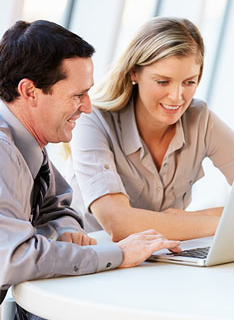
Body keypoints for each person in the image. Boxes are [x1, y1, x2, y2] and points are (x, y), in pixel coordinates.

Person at [0, 20, 180, 319]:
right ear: (30, 91)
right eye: (76, 95)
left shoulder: (29, 146)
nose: (86, 107)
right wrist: (117, 255)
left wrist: (65, 231)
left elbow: (59, 207)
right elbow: (13, 256)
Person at [69, 16, 234, 241]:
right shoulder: (93, 120)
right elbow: (118, 223)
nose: (177, 97)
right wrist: (217, 223)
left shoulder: (200, 119)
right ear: (134, 72)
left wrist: (190, 220)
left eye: (189, 82)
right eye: (163, 82)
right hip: (97, 263)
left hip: (163, 261)